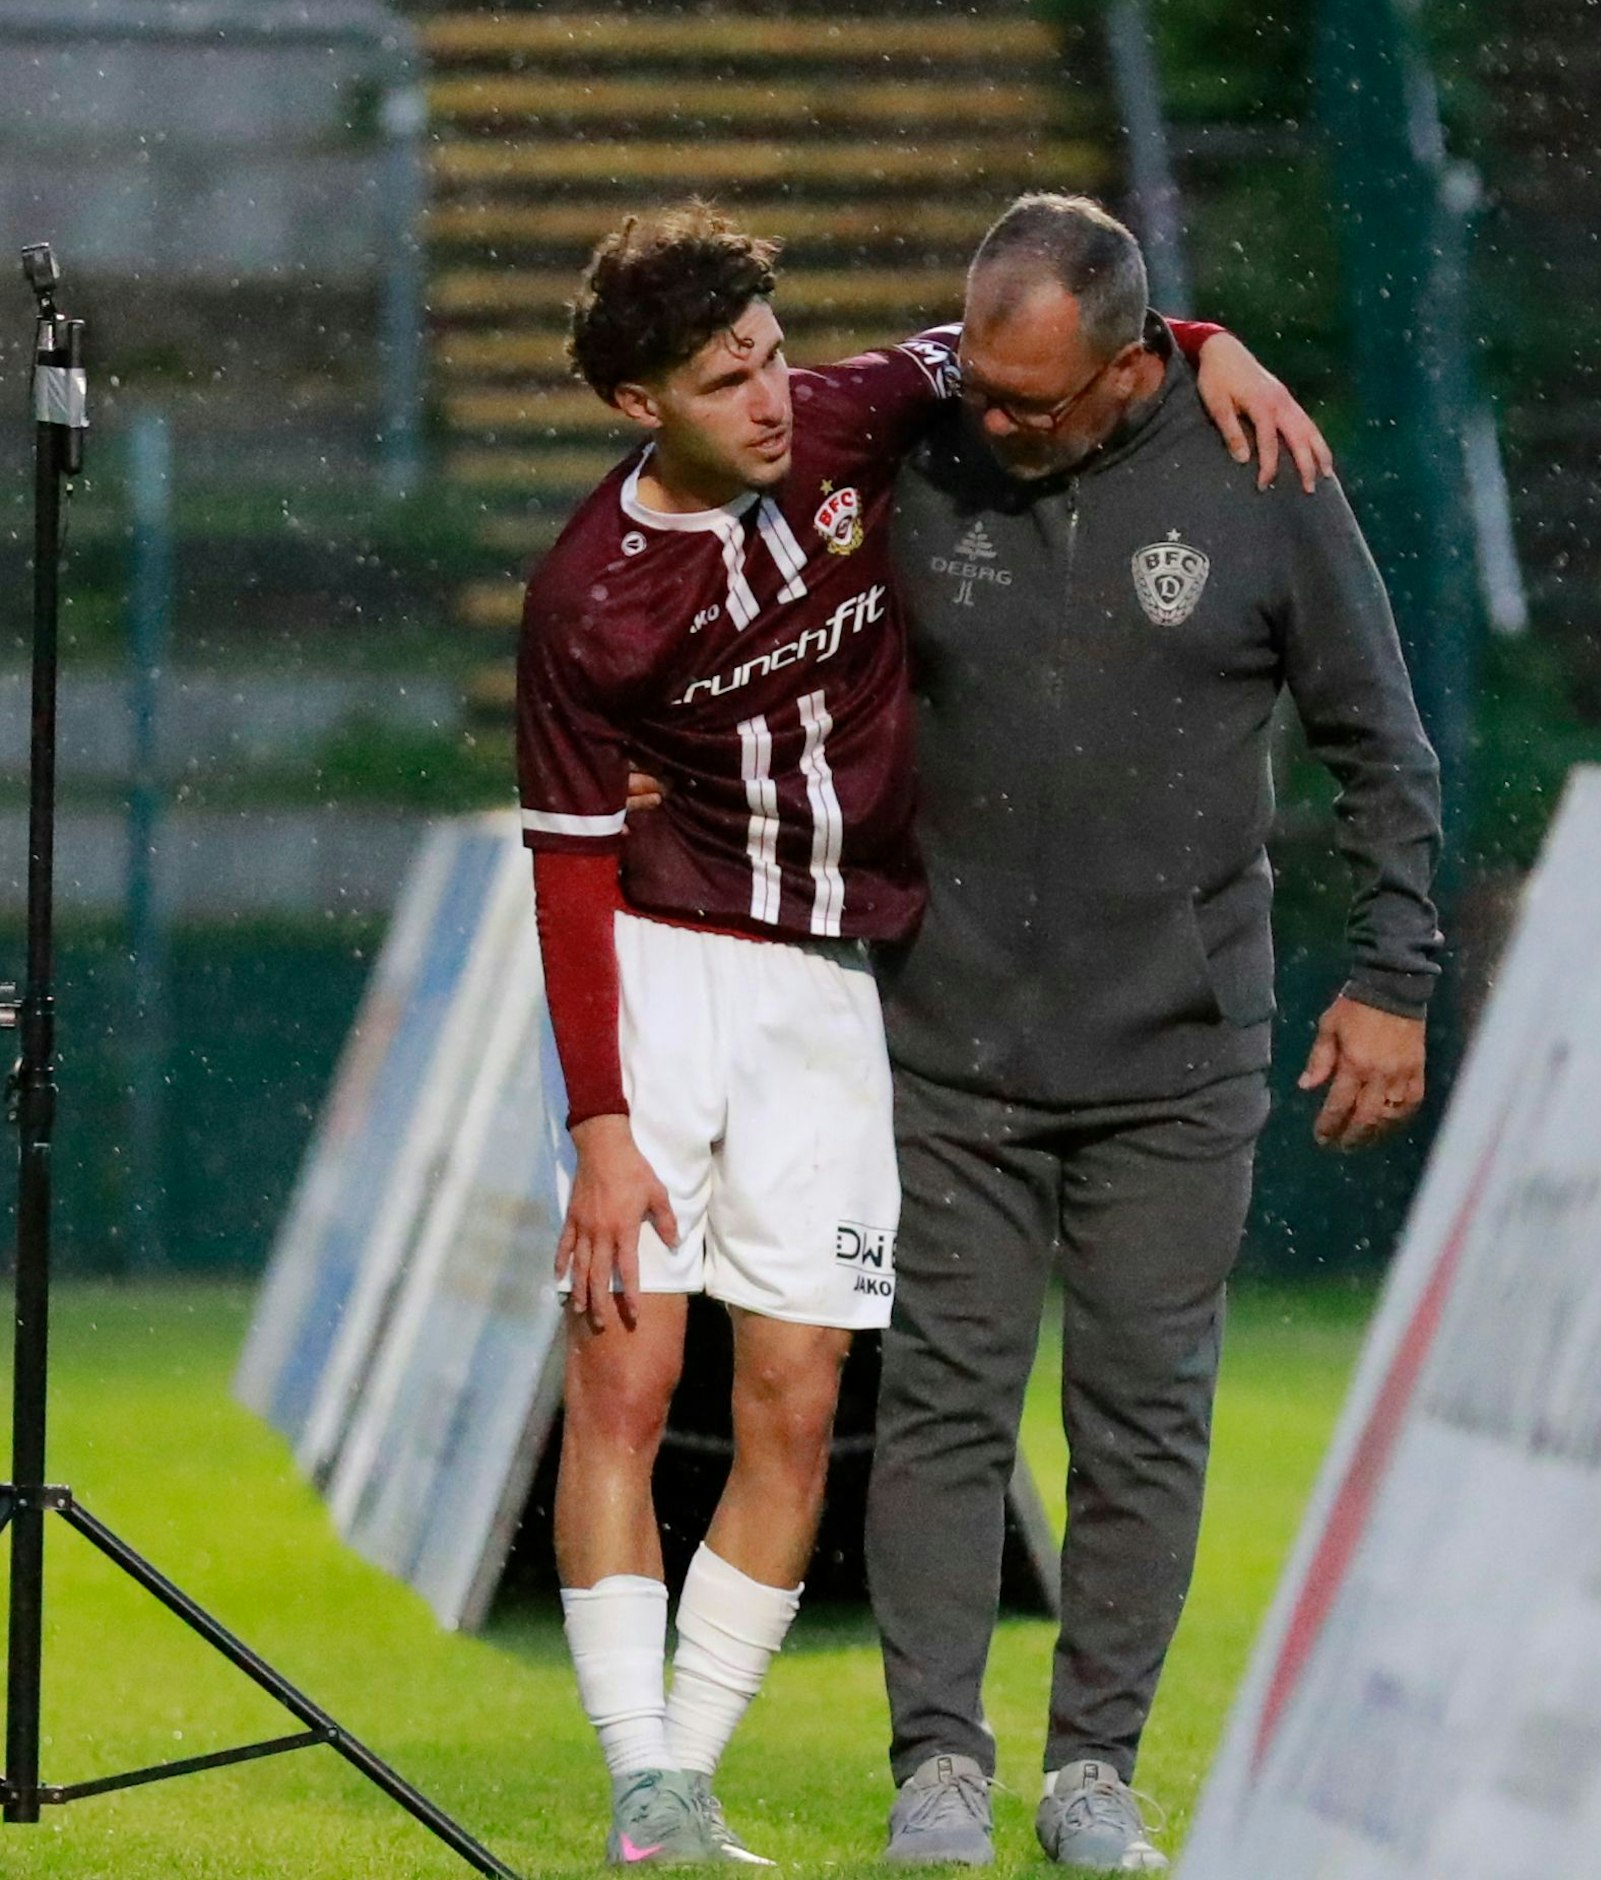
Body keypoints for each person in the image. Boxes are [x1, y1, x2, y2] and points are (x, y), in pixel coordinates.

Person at [515, 200, 1325, 1867]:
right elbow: (569, 870)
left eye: (770, 356)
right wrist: (598, 1122)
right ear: (638, 406)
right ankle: (638, 1769)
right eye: (723, 381)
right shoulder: (588, 601)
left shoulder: (849, 414)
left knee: (798, 1400)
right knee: (627, 1376)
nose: (768, 398)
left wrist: (1204, 343)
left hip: (833, 985)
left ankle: (693, 1778)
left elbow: (1043, 347)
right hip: (666, 967)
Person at [866, 194, 1444, 1871]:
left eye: (1031, 399)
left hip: (1177, 1055)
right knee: (944, 1406)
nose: (994, 422)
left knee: (1142, 1419)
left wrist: (1395, 977)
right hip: (948, 1034)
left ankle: (1093, 1774)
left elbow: (1381, 743)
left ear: (1131, 370)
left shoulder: (1264, 474)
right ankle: (937, 1765)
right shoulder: (922, 443)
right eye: (979, 385)